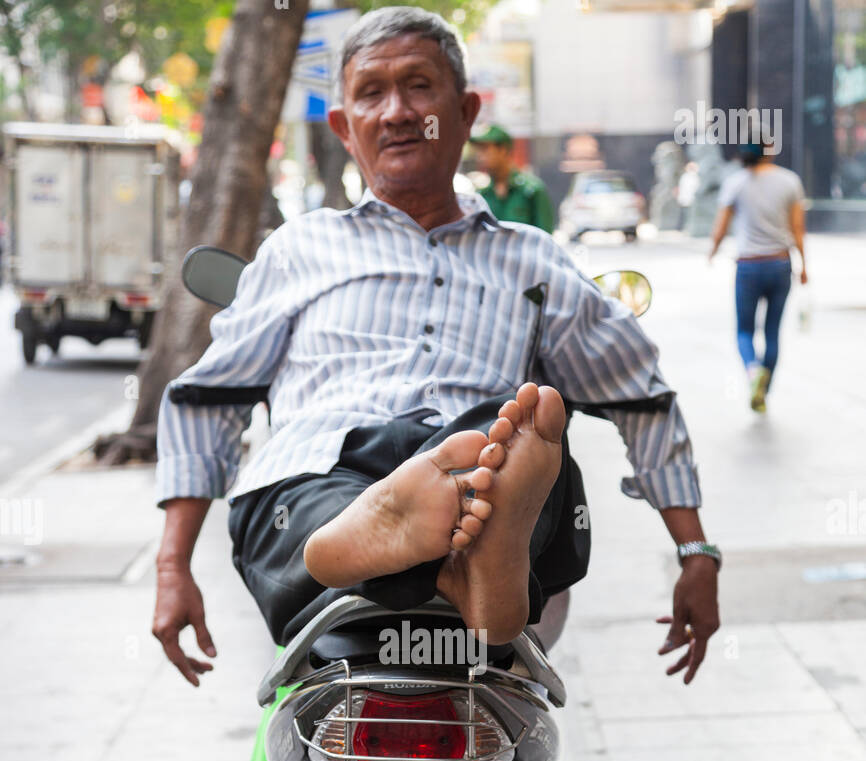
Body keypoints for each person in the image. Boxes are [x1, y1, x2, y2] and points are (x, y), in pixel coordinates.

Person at [153, 7, 720, 688]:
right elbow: (206, 399)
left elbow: (641, 394)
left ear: (466, 110)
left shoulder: (533, 262)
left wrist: (696, 552)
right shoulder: (298, 250)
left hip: (474, 467)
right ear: (344, 126)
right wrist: (171, 567)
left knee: (513, 435)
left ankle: (467, 541)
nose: (396, 111)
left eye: (419, 86)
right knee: (310, 494)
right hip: (319, 477)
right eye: (371, 92)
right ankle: (412, 534)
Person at [708, 139, 807, 412]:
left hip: (748, 266)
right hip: (779, 264)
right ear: (769, 150)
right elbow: (798, 229)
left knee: (744, 330)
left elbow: (721, 226)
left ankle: (753, 373)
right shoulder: (790, 181)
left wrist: (712, 251)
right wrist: (805, 265)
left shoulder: (735, 182)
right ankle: (765, 387)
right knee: (772, 332)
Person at [469, 124, 555, 233]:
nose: (479, 156)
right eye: (477, 150)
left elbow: (545, 237)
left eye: (485, 149)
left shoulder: (531, 190)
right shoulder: (482, 195)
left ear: (503, 150)